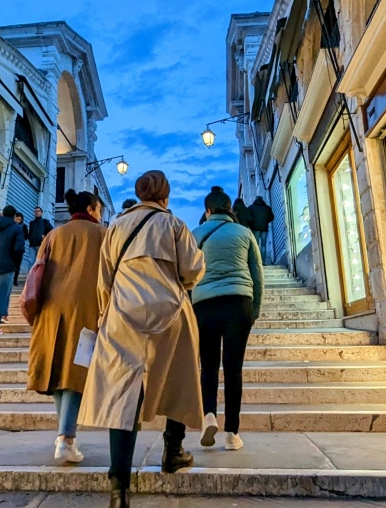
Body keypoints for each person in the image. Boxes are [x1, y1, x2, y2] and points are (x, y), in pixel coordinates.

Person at [79, 170, 206, 508]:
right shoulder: (175, 224)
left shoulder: (117, 227)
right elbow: (192, 271)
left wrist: (107, 313)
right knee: (179, 380)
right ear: (166, 195)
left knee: (123, 395)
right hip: (170, 314)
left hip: (123, 316)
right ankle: (173, 451)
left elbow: (104, 278)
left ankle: (119, 486)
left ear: (137, 194)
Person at [26, 190, 106, 464]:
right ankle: (66, 439)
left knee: (58, 372)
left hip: (50, 311)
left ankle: (64, 435)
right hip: (85, 311)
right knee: (75, 373)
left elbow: (39, 270)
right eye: (100, 209)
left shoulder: (54, 235)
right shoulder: (102, 235)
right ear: (92, 209)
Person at [191, 188, 264, 452]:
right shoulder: (244, 233)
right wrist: (253, 310)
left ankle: (209, 415)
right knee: (233, 369)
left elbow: (186, 277)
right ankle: (232, 433)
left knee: (208, 366)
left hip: (204, 306)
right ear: (230, 210)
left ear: (208, 211)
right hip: (238, 302)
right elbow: (257, 274)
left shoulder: (195, 235)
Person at [0, 205, 26, 335]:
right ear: (14, 216)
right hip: (8, 264)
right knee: (2, 294)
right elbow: (19, 248)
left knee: (5, 292)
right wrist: (15, 262)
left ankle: (2, 314)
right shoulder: (17, 228)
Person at [23, 206, 54, 275]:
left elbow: (52, 230)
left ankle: (39, 275)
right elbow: (30, 232)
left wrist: (45, 236)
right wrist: (29, 237)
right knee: (31, 261)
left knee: (40, 260)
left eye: (38, 211)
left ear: (41, 212)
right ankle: (30, 275)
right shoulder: (32, 223)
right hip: (32, 244)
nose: (36, 212)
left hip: (40, 244)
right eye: (35, 211)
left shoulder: (44, 221)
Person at [248, 196, 275, 261]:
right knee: (263, 245)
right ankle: (263, 260)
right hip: (264, 228)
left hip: (255, 228)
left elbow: (249, 218)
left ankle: (257, 260)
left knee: (256, 244)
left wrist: (252, 224)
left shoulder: (251, 208)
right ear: (262, 200)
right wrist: (266, 221)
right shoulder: (267, 208)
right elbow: (272, 217)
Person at [13, 212, 26, 284]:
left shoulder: (24, 226)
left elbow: (26, 236)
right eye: (17, 219)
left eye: (19, 219)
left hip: (20, 249)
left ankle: (15, 279)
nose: (18, 221)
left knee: (17, 265)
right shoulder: (12, 226)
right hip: (12, 248)